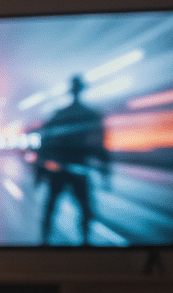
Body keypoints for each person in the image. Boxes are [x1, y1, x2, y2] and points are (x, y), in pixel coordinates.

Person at [33, 75, 110, 245]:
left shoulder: (59, 115)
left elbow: (44, 144)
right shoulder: (90, 115)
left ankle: (44, 241)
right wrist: (105, 172)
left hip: (59, 170)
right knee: (84, 209)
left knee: (51, 207)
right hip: (79, 170)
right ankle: (84, 242)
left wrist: (39, 173)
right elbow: (100, 145)